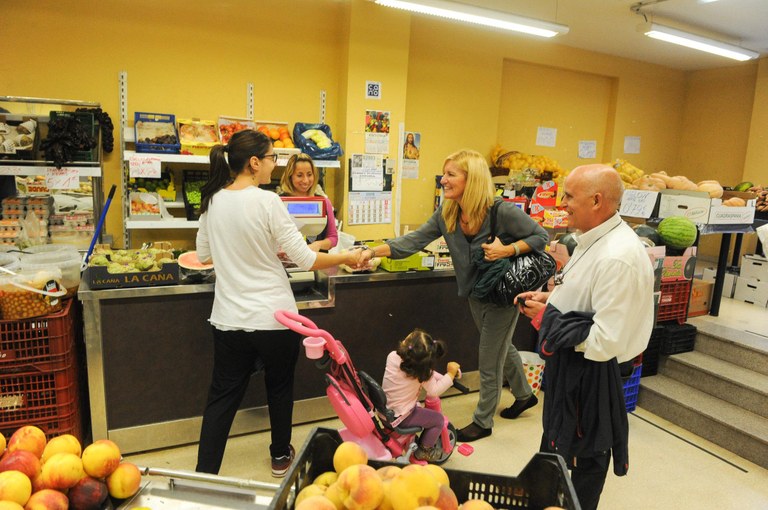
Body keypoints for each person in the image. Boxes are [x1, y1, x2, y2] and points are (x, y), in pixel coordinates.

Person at [194, 129, 363, 478]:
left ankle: (203, 474)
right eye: (272, 157)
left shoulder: (212, 200)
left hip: (229, 318)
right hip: (275, 318)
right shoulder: (267, 201)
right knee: (280, 387)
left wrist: (245, 252)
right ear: (254, 162)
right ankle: (279, 456)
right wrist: (349, 255)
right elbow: (305, 259)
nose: (274, 164)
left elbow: (204, 255)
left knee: (221, 398)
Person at [358, 149, 548, 442]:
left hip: (502, 296)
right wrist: (372, 250)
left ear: (471, 180)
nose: (443, 180)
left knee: (488, 357)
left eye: (450, 174)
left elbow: (540, 237)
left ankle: (483, 421)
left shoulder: (502, 211)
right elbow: (411, 241)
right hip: (475, 293)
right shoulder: (448, 213)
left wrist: (507, 250)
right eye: (443, 173)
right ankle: (524, 394)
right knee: (499, 346)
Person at [515, 164, 655, 510]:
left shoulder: (617, 257)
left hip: (592, 374)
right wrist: (553, 301)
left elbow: (604, 340)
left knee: (582, 459)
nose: (563, 203)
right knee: (558, 448)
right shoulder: (592, 241)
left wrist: (549, 318)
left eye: (569, 196)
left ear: (596, 200)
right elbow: (587, 299)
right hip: (573, 370)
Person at [382, 329, 460, 462]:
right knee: (438, 420)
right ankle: (424, 451)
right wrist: (450, 375)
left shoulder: (392, 356)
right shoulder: (422, 373)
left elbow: (426, 372)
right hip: (401, 418)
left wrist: (446, 377)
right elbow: (434, 390)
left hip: (385, 412)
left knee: (417, 406)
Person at [278, 153, 338, 252]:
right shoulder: (278, 202)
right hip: (286, 264)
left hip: (318, 262)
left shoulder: (324, 202)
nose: (305, 180)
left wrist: (318, 245)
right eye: (299, 175)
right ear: (290, 176)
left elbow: (333, 238)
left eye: (309, 174)